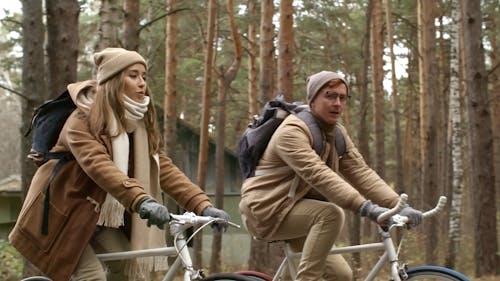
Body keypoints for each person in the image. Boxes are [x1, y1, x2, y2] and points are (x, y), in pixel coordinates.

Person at [9, 47, 230, 281]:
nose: (142, 83)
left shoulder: (137, 124)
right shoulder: (82, 118)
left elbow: (163, 169)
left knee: (128, 270)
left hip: (98, 216)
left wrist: (202, 205)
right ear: (114, 80)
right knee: (92, 277)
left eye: (144, 76)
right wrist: (141, 200)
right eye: (133, 75)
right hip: (63, 212)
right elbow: (99, 166)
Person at [239, 71, 422, 281]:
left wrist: (397, 204)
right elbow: (319, 175)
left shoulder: (336, 133)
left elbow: (361, 173)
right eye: (330, 95)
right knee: (330, 214)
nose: (337, 103)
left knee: (341, 275)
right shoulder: (291, 132)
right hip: (265, 210)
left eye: (342, 98)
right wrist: (366, 208)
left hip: (295, 210)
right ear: (313, 99)